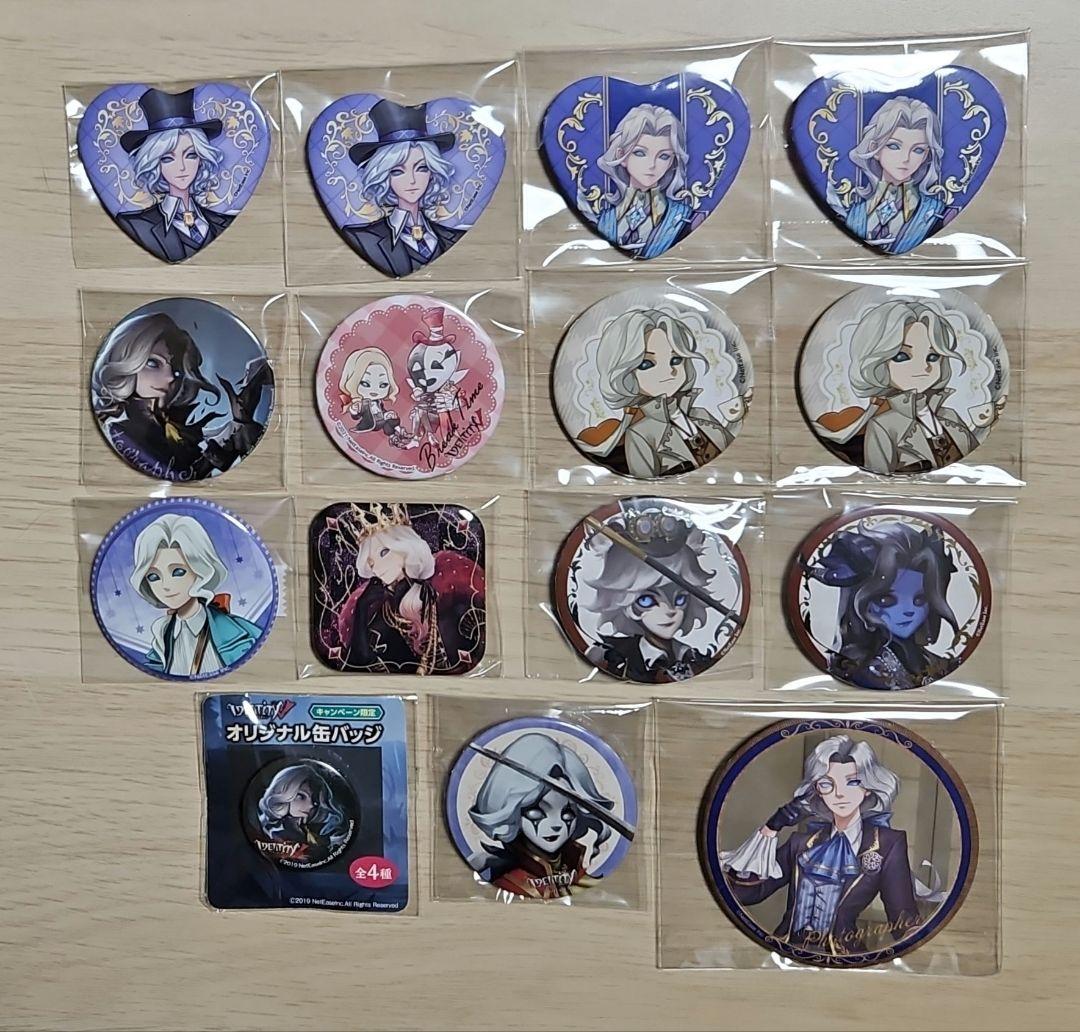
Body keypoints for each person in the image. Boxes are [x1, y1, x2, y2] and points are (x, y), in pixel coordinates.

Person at [719, 735, 921, 956]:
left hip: (844, 959)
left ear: (868, 788)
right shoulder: (800, 843)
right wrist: (771, 827)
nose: (839, 793)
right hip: (783, 954)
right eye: (827, 784)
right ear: (816, 789)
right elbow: (745, 894)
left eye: (852, 782)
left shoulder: (887, 844)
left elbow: (904, 922)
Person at [92, 311, 271, 481]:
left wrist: (242, 422)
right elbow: (180, 473)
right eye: (153, 363)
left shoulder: (173, 427)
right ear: (128, 361)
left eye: (176, 370)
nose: (170, 377)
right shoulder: (119, 430)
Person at [813, 300, 983, 475]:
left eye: (932, 356)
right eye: (902, 356)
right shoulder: (883, 426)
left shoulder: (950, 416)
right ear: (876, 363)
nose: (923, 367)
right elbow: (879, 477)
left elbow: (975, 463)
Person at [575, 308, 742, 478]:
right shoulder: (640, 434)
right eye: (646, 364)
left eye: (675, 360)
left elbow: (732, 456)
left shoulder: (702, 415)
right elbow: (644, 481)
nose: (668, 371)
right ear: (625, 373)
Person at [804, 519, 960, 690]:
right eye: (886, 600)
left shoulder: (935, 663)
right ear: (862, 603)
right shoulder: (859, 669)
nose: (909, 610)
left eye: (920, 600)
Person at [335, 505, 484, 675]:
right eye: (371, 562)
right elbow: (358, 664)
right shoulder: (383, 615)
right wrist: (362, 608)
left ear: (407, 549)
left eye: (384, 552)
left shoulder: (445, 597)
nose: (377, 567)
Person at [467, 733, 617, 899]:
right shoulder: (506, 877)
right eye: (537, 812)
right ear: (511, 810)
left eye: (567, 813)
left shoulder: (579, 867)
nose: (556, 824)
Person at [583, 508, 716, 682]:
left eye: (680, 599)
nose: (670, 611)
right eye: (647, 600)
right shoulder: (607, 656)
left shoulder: (697, 657)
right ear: (623, 602)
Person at [340, 99, 463, 276]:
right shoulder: (361, 238)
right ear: (384, 176)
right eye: (397, 171)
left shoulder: (452, 237)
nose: (412, 180)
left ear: (432, 173)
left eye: (422, 168)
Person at [129, 513, 262, 677]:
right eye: (153, 576)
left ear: (201, 571)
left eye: (178, 572)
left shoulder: (239, 633)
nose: (165, 586)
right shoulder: (162, 636)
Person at [115, 88, 234, 263]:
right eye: (168, 158)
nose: (182, 167)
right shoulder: (134, 225)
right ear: (155, 164)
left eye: (191, 155)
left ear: (201, 159)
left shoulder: (223, 222)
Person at [829, 96, 951, 255]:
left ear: (926, 156)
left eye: (918, 150)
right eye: (894, 146)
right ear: (875, 149)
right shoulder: (855, 213)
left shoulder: (938, 212)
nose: (905, 158)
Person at [589, 103, 696, 258]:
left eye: (663, 156)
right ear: (621, 155)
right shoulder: (603, 218)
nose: (651, 165)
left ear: (672, 162)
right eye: (640, 153)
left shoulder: (686, 217)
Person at [256, 763, 351, 865]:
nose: (311, 805)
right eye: (301, 796)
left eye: (315, 800)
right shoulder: (274, 833)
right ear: (285, 794)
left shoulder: (311, 833)